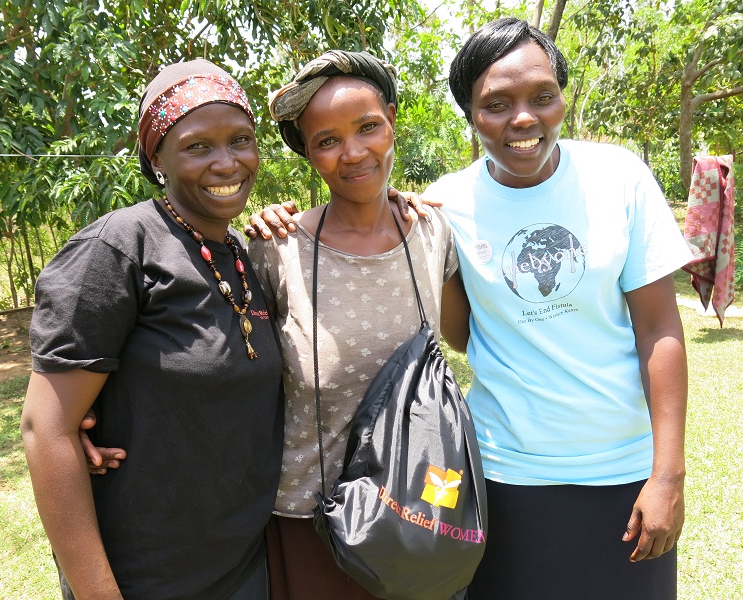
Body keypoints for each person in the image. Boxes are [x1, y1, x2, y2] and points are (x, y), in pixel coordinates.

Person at [251, 18, 692, 600]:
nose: (524, 118)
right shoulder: (446, 205)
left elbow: (660, 327)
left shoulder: (617, 180)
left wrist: (667, 473)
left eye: (543, 96)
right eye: (496, 103)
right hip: (497, 474)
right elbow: (457, 331)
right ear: (469, 114)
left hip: (620, 470)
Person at [20, 59, 284, 599]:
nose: (226, 161)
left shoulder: (241, 254)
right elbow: (45, 429)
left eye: (241, 139)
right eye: (198, 146)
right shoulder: (117, 248)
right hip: (144, 577)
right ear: (155, 158)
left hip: (242, 565)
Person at [249, 50, 468, 599]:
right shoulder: (276, 249)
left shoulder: (432, 231)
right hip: (312, 521)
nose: (353, 153)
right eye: (327, 140)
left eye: (368, 127)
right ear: (308, 154)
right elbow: (220, 362)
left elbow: (466, 338)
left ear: (391, 120)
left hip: (420, 515)